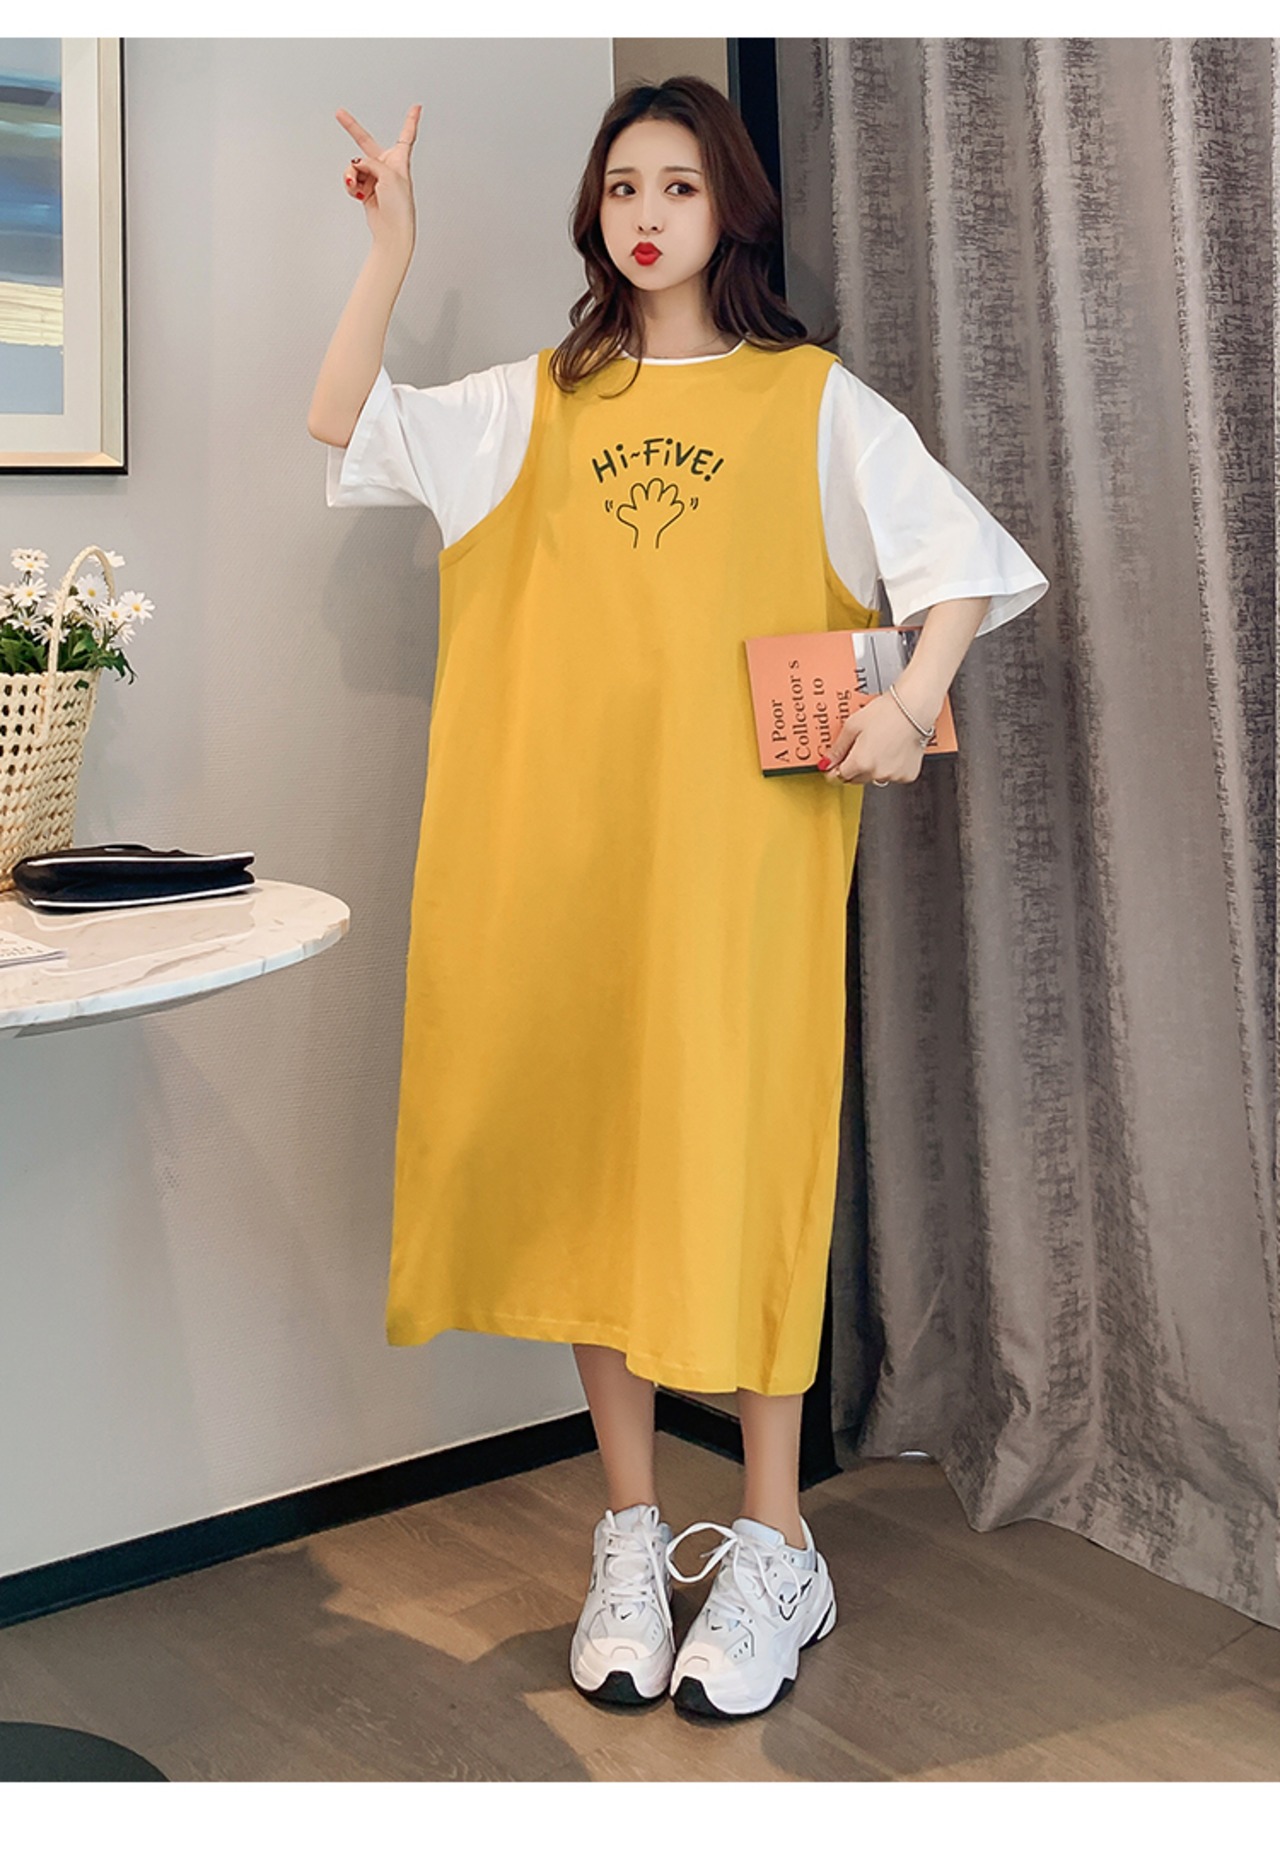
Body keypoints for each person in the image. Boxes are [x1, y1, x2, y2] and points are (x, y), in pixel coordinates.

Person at [309, 75, 1048, 1723]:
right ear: (598, 214)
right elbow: (344, 417)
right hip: (559, 868)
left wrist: (912, 699)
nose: (647, 215)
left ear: (733, 211)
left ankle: (777, 1545)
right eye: (623, 187)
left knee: (746, 1174)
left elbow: (960, 562)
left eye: (681, 187)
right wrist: (391, 248)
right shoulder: (532, 403)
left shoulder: (813, 400)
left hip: (744, 875)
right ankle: (632, 1537)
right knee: (595, 1178)